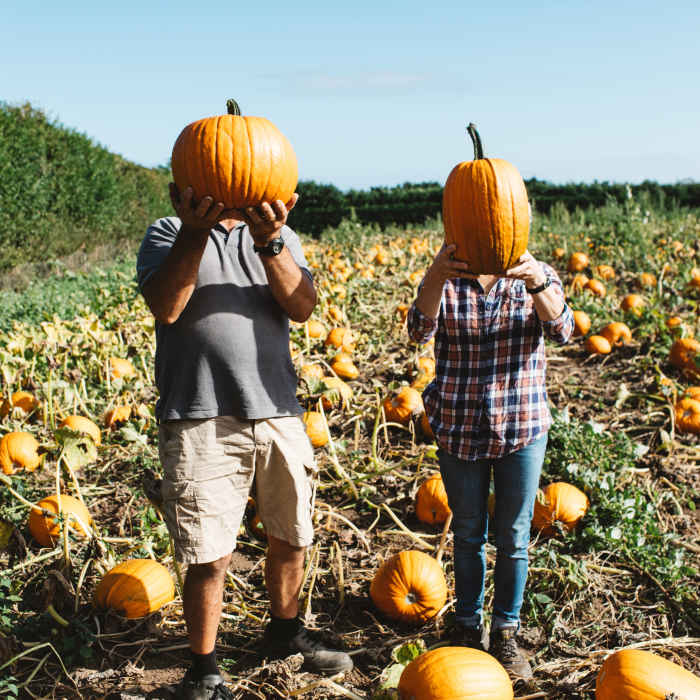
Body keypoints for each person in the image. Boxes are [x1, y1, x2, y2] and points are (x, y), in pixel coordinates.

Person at [136, 184, 353, 700]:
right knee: (209, 554)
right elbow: (167, 307)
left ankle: (284, 635)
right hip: (199, 414)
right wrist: (195, 232)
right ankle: (204, 669)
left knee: (291, 534)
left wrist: (271, 238)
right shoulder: (168, 232)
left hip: (276, 409)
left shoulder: (281, 236)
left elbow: (301, 306)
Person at [407, 240, 574, 681]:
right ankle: (466, 624)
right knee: (467, 531)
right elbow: (418, 330)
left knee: (514, 535)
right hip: (458, 423)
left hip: (521, 424)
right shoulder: (446, 277)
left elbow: (562, 331)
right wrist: (436, 274)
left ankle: (506, 630)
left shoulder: (534, 274)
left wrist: (537, 282)